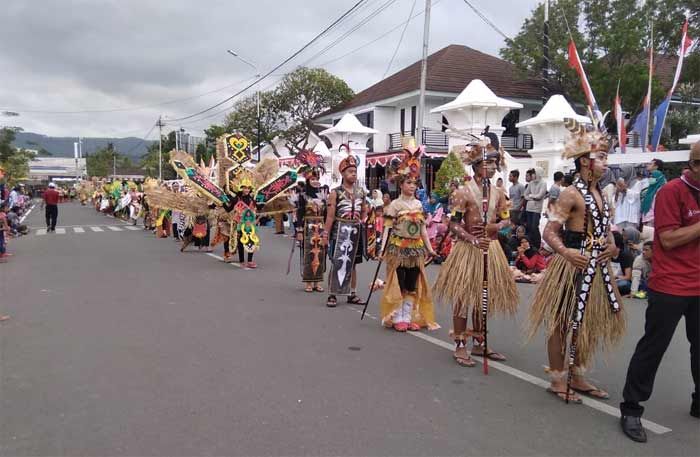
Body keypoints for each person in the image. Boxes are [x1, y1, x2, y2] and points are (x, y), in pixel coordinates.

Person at [526, 120, 624, 404]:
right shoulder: (570, 194)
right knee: (561, 322)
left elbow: (607, 232)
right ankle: (558, 377)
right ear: (584, 162)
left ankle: (578, 374)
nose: (606, 162)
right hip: (571, 266)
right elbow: (549, 231)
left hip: (597, 268)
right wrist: (566, 253)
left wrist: (612, 246)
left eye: (606, 156)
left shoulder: (602, 195)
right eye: (601, 157)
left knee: (587, 322)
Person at [619, 142, 700, 443]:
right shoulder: (672, 192)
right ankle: (631, 408)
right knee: (654, 347)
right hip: (671, 284)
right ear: (693, 165)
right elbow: (667, 239)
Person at [433, 138, 518, 367]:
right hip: (468, 250)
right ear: (478, 164)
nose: (493, 167)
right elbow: (453, 224)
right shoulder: (463, 191)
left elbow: (507, 221)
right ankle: (460, 345)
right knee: (463, 297)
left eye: (494, 163)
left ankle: (480, 342)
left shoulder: (499, 192)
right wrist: (471, 238)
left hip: (491, 249)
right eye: (489, 163)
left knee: (484, 298)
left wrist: (496, 228)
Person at [377, 141, 440, 332]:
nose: (412, 186)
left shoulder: (419, 205)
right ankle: (397, 317)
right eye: (408, 182)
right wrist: (382, 249)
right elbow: (387, 228)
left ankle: (408, 315)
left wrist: (430, 249)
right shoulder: (395, 205)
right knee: (400, 282)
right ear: (401, 183)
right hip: (398, 249)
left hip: (415, 250)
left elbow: (422, 230)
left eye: (414, 183)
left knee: (412, 284)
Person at [323, 151, 367, 307]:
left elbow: (364, 212)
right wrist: (325, 234)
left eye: (355, 171)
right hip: (339, 230)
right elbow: (330, 216)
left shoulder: (361, 192)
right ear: (343, 173)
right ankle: (332, 294)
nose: (353, 174)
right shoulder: (335, 193)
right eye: (350, 171)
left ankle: (352, 293)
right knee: (337, 262)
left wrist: (362, 222)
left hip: (355, 231)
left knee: (353, 264)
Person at [294, 150, 328, 293]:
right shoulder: (302, 195)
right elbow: (298, 213)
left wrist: (327, 231)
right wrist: (299, 231)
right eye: (313, 178)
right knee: (309, 253)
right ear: (307, 179)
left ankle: (318, 281)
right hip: (308, 227)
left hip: (320, 227)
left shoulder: (324, 193)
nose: (315, 181)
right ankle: (308, 282)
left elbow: (327, 214)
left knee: (320, 254)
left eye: (317, 178)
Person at [523, 167, 546, 248]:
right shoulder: (531, 183)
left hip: (536, 209)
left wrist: (531, 196)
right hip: (529, 208)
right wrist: (533, 197)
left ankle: (537, 243)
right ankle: (530, 243)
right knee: (529, 227)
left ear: (538, 174)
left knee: (534, 227)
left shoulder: (543, 183)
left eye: (534, 173)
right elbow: (525, 195)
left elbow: (540, 196)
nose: (533, 175)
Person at [640, 159, 666, 227]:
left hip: (654, 217)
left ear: (656, 166)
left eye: (650, 164)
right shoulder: (649, 185)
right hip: (646, 217)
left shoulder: (662, 186)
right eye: (651, 176)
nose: (647, 165)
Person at [610, 231, 633, 296]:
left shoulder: (625, 255)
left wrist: (616, 277)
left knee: (624, 284)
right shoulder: (606, 254)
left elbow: (627, 277)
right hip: (608, 279)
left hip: (619, 280)